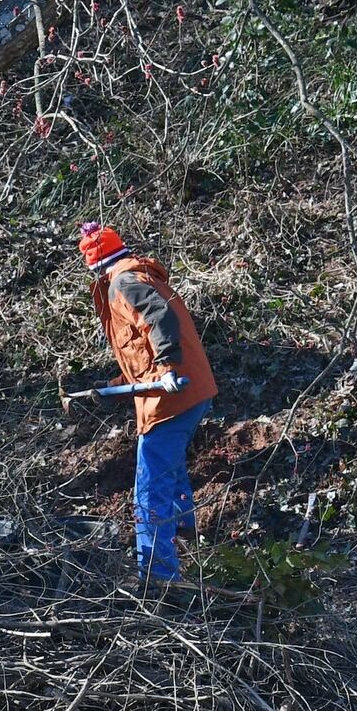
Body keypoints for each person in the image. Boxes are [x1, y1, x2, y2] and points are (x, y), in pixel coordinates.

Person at [77, 223, 217, 581]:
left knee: (149, 486)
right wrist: (122, 381)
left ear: (95, 267)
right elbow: (139, 345)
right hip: (189, 390)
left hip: (171, 394)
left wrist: (168, 366)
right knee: (168, 467)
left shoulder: (124, 282)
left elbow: (159, 318)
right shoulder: (139, 275)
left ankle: (158, 574)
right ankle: (185, 533)